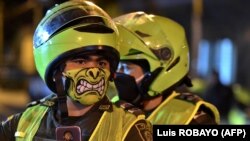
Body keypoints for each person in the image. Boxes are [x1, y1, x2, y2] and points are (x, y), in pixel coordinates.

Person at [0, 1, 152, 141]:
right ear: (54, 69)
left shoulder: (128, 126)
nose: (94, 71)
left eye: (101, 62)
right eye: (81, 61)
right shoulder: (24, 123)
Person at [111, 11, 220, 124]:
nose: (117, 74)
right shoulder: (114, 111)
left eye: (127, 67)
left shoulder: (191, 120)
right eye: (117, 66)